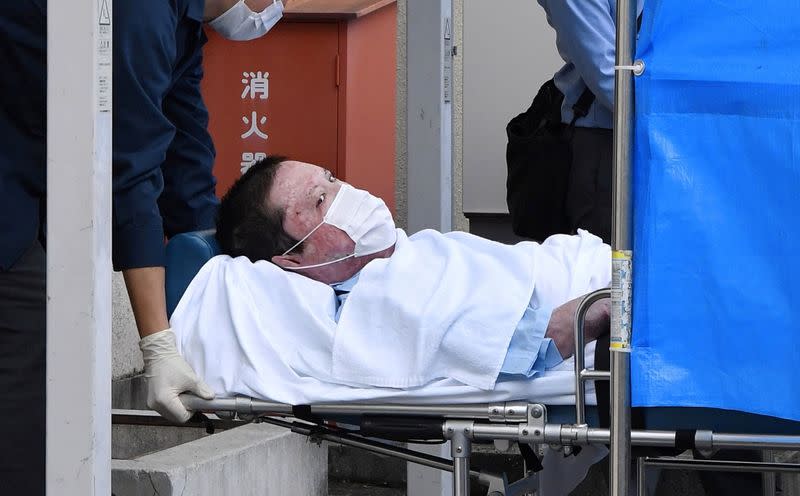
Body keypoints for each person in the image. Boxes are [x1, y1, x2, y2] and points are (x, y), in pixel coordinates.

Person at [0, 1, 284, 493]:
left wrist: (220, 297)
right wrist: (157, 344)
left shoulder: (179, 19)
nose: (277, 10)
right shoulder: (143, 9)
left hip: (30, 183)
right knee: (31, 401)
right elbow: (128, 169)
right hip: (11, 193)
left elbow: (187, 161)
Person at [215, 156, 612, 375]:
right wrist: (616, 301)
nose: (345, 192)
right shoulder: (376, 309)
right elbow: (532, 341)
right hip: (607, 303)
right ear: (292, 259)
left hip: (595, 266)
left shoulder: (410, 252)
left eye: (332, 177)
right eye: (321, 199)